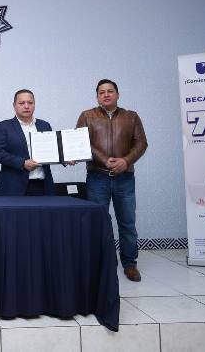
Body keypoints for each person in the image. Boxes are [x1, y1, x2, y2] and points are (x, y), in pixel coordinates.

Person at [76, 79, 147, 282]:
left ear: (117, 94)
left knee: (127, 223)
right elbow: (80, 142)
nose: (106, 95)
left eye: (110, 91)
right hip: (97, 177)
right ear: (97, 97)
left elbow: (141, 143)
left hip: (125, 178)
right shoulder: (87, 116)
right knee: (98, 223)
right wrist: (104, 160)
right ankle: (103, 262)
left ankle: (130, 264)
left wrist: (126, 161)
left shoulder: (131, 117)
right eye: (101, 92)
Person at [0, 89, 55, 196]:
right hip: (14, 187)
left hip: (43, 185)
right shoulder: (3, 126)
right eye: (21, 103)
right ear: (14, 105)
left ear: (34, 104)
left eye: (30, 103)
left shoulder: (44, 125)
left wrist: (65, 158)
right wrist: (22, 163)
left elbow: (53, 149)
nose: (26, 106)